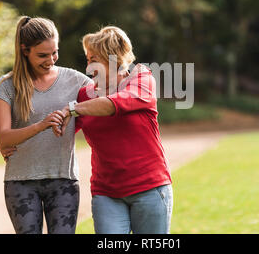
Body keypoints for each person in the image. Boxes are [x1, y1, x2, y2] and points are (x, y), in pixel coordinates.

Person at [54, 26, 173, 234]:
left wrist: (73, 109)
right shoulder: (84, 95)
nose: (88, 67)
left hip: (150, 189)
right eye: (88, 59)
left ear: (113, 59)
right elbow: (63, 132)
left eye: (94, 60)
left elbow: (114, 104)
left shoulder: (142, 79)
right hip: (106, 193)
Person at [0, 16, 91, 234]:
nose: (51, 59)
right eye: (43, 55)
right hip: (21, 182)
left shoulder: (76, 80)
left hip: (63, 179)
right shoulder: (6, 86)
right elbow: (3, 137)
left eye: (55, 52)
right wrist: (41, 125)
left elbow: (105, 100)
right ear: (25, 50)